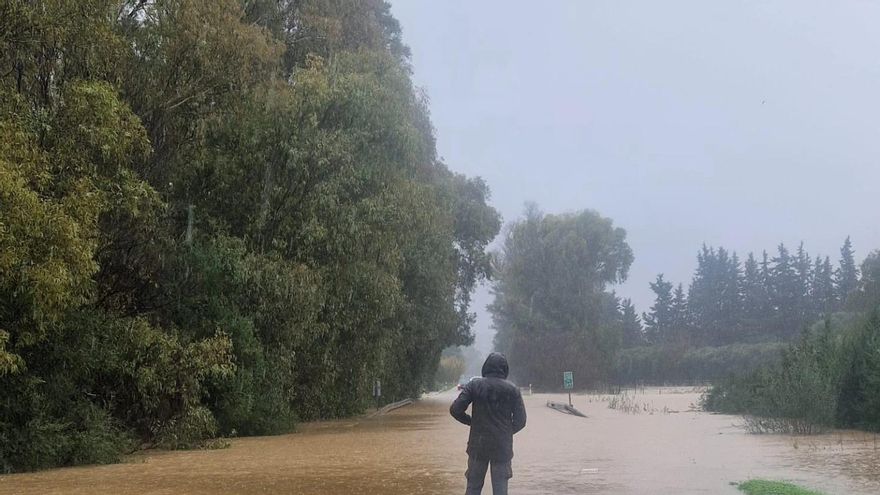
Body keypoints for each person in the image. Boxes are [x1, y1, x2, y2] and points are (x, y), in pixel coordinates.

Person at [449, 352, 527, 495]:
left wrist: (472, 422)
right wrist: (505, 431)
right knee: (501, 490)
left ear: (485, 367)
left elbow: (455, 409)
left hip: (478, 445)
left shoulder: (474, 385)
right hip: (502, 447)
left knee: (473, 487)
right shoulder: (513, 390)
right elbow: (521, 421)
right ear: (505, 369)